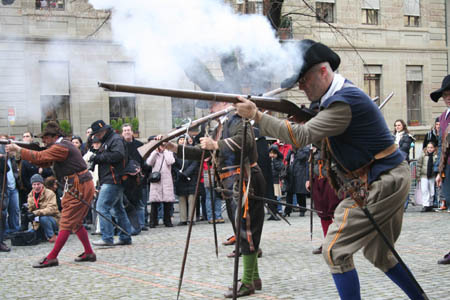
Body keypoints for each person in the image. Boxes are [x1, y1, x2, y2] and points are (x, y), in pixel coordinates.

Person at [235, 39, 424, 299]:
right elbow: (316, 129)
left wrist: (257, 116)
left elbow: (301, 136)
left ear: (323, 71)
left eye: (304, 79)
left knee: (334, 250)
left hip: (382, 180)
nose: (302, 86)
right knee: (379, 253)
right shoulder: (333, 100)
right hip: (383, 177)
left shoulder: (343, 102)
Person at [165, 99, 265, 298]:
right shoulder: (220, 126)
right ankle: (253, 277)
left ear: (225, 103)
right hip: (232, 182)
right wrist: (174, 148)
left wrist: (216, 144)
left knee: (247, 231)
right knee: (242, 230)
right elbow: (204, 153)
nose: (210, 109)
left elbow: (244, 141)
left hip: (246, 180)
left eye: (213, 105)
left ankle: (247, 282)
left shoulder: (239, 119)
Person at [6, 121, 96, 267]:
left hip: (78, 185)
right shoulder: (61, 146)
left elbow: (41, 158)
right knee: (76, 223)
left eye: (45, 138)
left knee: (66, 221)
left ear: (53, 136)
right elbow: (45, 162)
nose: (43, 141)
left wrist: (19, 149)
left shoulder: (61, 147)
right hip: (77, 184)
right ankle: (89, 252)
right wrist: (23, 151)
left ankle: (52, 257)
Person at [89, 120, 133, 246]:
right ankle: (125, 237)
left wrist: (98, 157)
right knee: (117, 208)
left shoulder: (115, 140)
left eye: (97, 134)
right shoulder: (111, 140)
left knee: (102, 207)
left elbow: (118, 155)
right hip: (112, 178)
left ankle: (107, 238)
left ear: (102, 132)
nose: (96, 136)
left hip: (112, 179)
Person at [306, 144, 342, 255]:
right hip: (318, 180)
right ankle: (327, 242)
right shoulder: (314, 147)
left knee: (334, 211)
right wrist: (309, 179)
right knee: (323, 211)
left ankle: (337, 242)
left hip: (331, 179)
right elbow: (312, 164)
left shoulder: (332, 142)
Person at [431, 74, 450, 264]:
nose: (448, 97)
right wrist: (439, 171)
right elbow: (441, 145)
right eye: (445, 94)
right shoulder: (443, 117)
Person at [121, 123, 146, 233]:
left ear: (132, 132)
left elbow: (144, 161)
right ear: (122, 133)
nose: (127, 132)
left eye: (128, 130)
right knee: (126, 204)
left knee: (139, 204)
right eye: (125, 130)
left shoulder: (139, 145)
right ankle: (130, 225)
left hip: (137, 179)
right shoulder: (119, 145)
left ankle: (141, 224)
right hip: (125, 179)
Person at [173, 135, 200, 226]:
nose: (182, 141)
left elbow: (195, 163)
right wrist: (179, 173)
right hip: (180, 179)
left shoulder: (192, 150)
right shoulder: (175, 152)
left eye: (183, 139)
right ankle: (183, 219)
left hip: (191, 178)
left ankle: (192, 219)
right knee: (182, 199)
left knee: (191, 199)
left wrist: (186, 173)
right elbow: (174, 164)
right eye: (180, 139)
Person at [146, 144, 175, 228]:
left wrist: (165, 150)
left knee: (167, 202)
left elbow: (171, 161)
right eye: (160, 145)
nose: (161, 147)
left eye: (163, 145)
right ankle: (153, 222)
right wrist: (155, 152)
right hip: (156, 180)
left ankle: (167, 221)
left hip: (166, 180)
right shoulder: (154, 153)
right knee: (154, 203)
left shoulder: (169, 152)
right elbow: (149, 162)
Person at [26, 174, 60, 242]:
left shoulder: (50, 193)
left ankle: (52, 235)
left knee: (43, 218)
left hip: (53, 219)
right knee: (30, 234)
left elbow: (52, 209)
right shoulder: (30, 195)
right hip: (37, 221)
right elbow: (30, 209)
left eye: (38, 184)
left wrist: (35, 213)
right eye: (34, 184)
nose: (36, 187)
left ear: (42, 184)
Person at [416, 142, 437, 212]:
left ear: (434, 148)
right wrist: (418, 176)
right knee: (424, 190)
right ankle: (425, 204)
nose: (430, 149)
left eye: (431, 147)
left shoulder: (436, 156)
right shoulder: (423, 155)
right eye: (428, 147)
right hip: (424, 175)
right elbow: (419, 165)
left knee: (432, 190)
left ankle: (430, 204)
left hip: (432, 175)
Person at [0, 155, 10, 252]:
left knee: (2, 215)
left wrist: (2, 159)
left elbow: (7, 169)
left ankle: (0, 241)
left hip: (1, 191)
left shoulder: (1, 158)